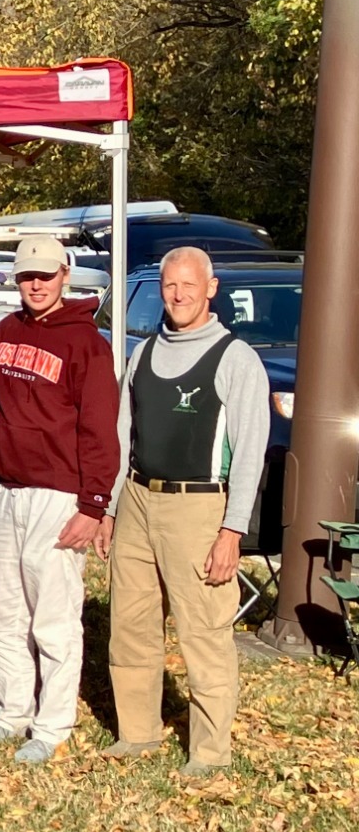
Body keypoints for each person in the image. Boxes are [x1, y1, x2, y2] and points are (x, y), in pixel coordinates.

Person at [101, 246, 269, 778]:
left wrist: (231, 530)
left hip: (199, 507)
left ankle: (209, 752)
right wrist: (108, 507)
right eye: (170, 286)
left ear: (210, 288)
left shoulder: (235, 359)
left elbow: (250, 452)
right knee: (130, 624)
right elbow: (123, 435)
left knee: (204, 634)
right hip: (137, 500)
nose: (178, 295)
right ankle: (138, 733)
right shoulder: (143, 352)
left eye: (188, 285)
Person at [0, 233, 121, 764]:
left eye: (45, 275)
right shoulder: (3, 332)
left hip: (59, 495)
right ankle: (12, 711)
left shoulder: (87, 343)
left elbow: (101, 429)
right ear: (16, 280)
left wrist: (94, 504)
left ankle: (52, 724)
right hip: (6, 490)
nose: (35, 284)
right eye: (26, 276)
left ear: (64, 276)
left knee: (54, 617)